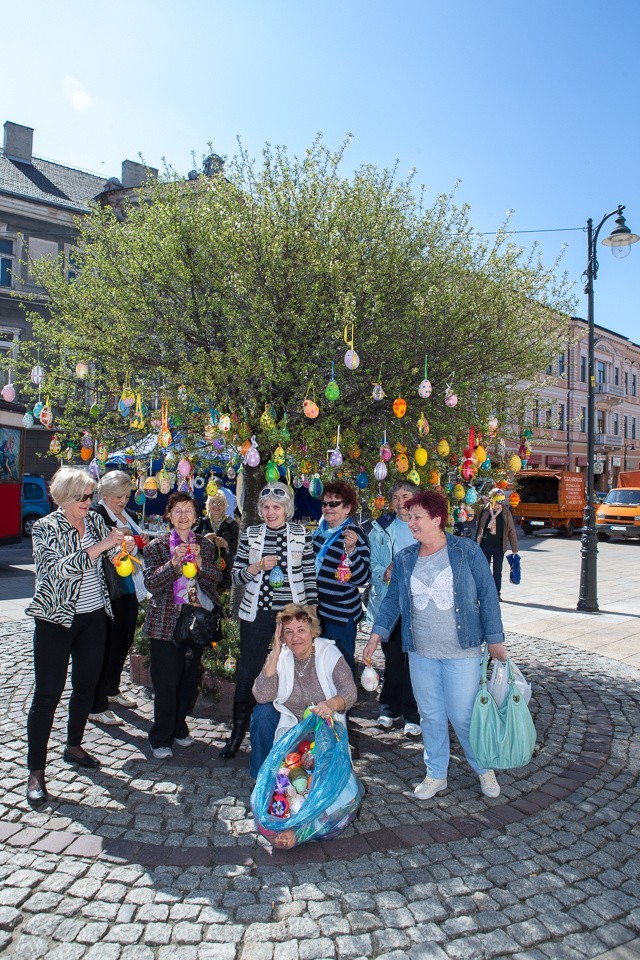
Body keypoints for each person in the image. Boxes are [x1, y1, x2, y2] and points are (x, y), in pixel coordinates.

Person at [363, 490, 508, 801]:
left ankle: (484, 769)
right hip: (421, 652)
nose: (411, 521)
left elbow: (488, 594)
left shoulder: (465, 551)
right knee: (430, 714)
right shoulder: (404, 559)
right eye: (409, 516)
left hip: (462, 651)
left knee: (463, 715)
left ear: (437, 520)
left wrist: (495, 639)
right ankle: (436, 774)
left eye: (417, 517)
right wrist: (377, 635)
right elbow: (392, 602)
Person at [25, 467, 126, 803]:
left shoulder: (95, 522)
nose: (88, 502)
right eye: (83, 497)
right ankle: (36, 773)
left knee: (86, 686)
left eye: (90, 496)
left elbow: (110, 556)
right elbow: (56, 570)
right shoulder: (45, 527)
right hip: (55, 620)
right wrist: (100, 548)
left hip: (94, 617)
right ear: (65, 497)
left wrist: (121, 551)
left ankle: (74, 746)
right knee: (47, 695)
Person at [222, 482, 318, 760]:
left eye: (276, 507)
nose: (270, 512)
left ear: (286, 509)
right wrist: (256, 567)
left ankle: (294, 734)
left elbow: (310, 576)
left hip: (293, 616)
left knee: (297, 672)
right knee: (248, 672)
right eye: (265, 507)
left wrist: (312, 615)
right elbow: (237, 576)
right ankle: (237, 734)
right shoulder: (250, 534)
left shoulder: (302, 534)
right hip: (256, 613)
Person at [143, 492, 222, 760]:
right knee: (166, 683)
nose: (183, 516)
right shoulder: (156, 546)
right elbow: (152, 584)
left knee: (188, 680)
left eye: (188, 510)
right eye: (177, 510)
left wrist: (199, 564)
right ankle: (160, 736)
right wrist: (174, 563)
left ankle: (179, 727)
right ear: (169, 515)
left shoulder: (205, 545)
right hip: (165, 623)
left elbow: (216, 579)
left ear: (196, 516)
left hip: (195, 621)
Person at [249, 603, 357, 777]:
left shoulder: (329, 653)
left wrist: (330, 704)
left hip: (321, 729)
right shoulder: (281, 656)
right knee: (262, 714)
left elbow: (349, 691)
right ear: (282, 636)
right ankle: (261, 778)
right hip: (289, 730)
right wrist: (275, 652)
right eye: (288, 632)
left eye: (301, 630)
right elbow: (262, 695)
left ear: (312, 632)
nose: (295, 637)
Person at [88, 470, 148, 726]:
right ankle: (96, 703)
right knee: (107, 645)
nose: (122, 501)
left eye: (126, 495)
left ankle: (112, 689)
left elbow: (134, 542)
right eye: (117, 497)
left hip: (129, 585)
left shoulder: (130, 515)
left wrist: (139, 540)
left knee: (124, 640)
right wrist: (120, 537)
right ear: (105, 495)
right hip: (108, 588)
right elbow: (97, 546)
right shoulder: (96, 515)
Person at [365, 481, 421, 737]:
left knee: (416, 662)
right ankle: (389, 709)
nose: (401, 501)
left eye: (406, 496)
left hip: (420, 604)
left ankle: (414, 714)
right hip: (390, 602)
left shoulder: (424, 525)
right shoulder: (380, 529)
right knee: (394, 660)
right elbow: (372, 565)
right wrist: (384, 571)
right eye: (396, 497)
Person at [312, 480, 370, 676]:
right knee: (319, 665)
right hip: (317, 611)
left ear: (347, 508)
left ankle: (344, 706)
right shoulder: (319, 533)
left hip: (340, 615)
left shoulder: (354, 534)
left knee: (340, 667)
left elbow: (362, 577)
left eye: (334, 504)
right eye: (325, 503)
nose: (328, 508)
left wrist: (352, 550)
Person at [475, 488, 519, 599]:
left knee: (497, 571)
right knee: (484, 570)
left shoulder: (505, 512)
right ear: (492, 499)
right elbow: (473, 508)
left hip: (499, 546)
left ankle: (496, 594)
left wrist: (515, 549)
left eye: (502, 500)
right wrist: (481, 500)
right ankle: (483, 593)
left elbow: (511, 530)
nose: (500, 503)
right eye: (498, 500)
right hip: (485, 545)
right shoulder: (484, 510)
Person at [194, 491, 239, 592]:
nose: (216, 505)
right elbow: (191, 544)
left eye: (220, 502)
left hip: (225, 576)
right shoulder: (202, 523)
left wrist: (226, 545)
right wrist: (203, 540)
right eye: (213, 502)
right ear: (208, 505)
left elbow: (240, 548)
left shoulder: (232, 524)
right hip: (204, 573)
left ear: (225, 506)